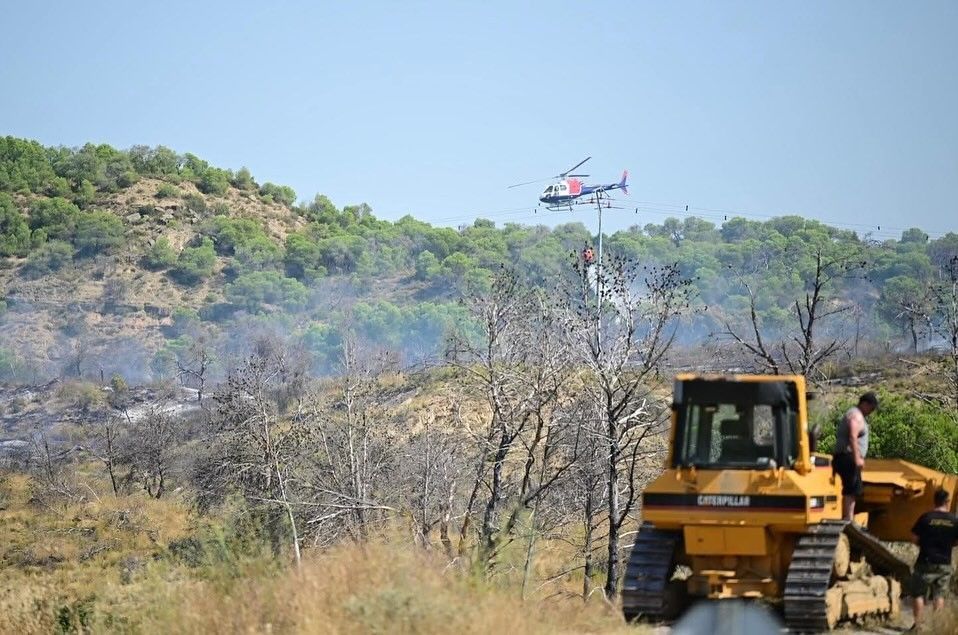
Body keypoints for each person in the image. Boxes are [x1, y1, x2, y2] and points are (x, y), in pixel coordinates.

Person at [910, 488, 958, 630]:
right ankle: (937, 628)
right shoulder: (954, 520)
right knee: (939, 595)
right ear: (947, 502)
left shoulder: (926, 518)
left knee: (918, 594)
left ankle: (918, 626)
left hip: (925, 561)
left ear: (934, 501)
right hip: (944, 563)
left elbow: (913, 538)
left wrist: (924, 544)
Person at [832, 392, 878, 520]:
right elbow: (853, 435)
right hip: (849, 457)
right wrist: (857, 458)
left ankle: (847, 516)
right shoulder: (856, 416)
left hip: (844, 457)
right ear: (865, 404)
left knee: (849, 488)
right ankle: (849, 518)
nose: (872, 411)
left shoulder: (854, 413)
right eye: (872, 408)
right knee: (851, 489)